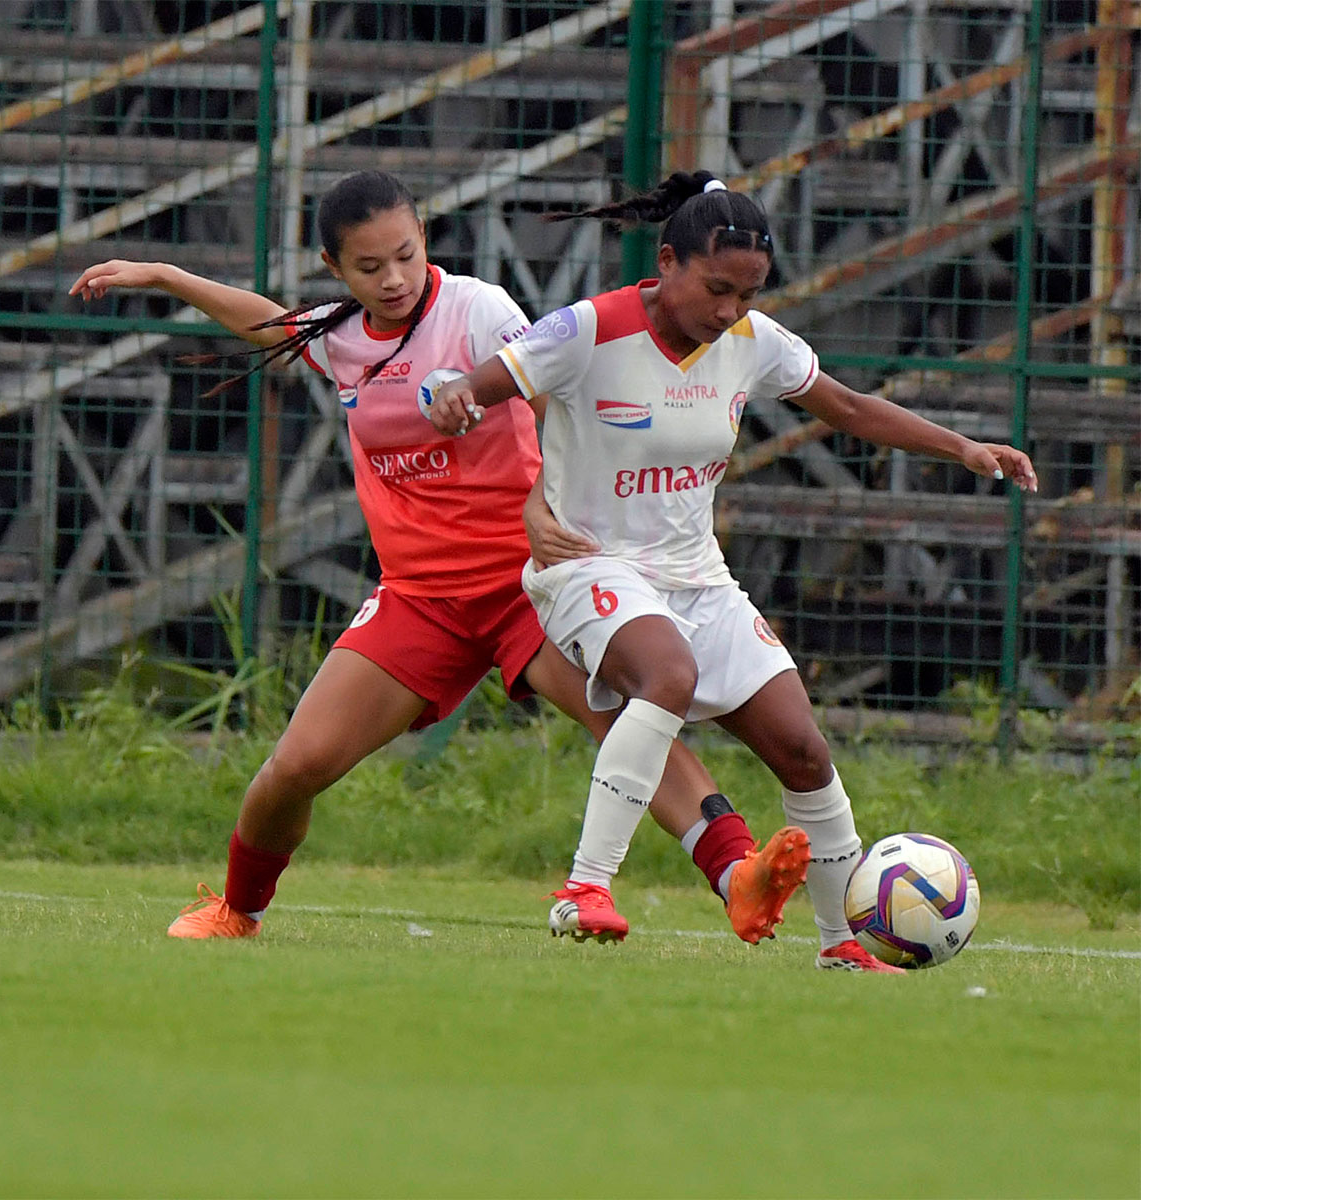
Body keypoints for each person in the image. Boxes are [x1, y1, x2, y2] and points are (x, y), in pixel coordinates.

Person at [68, 170, 813, 945]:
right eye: (368, 266)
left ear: (424, 238)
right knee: (294, 767)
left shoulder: (477, 308)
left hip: (528, 582)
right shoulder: (343, 338)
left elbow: (555, 391)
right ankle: (237, 909)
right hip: (420, 598)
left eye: (405, 254)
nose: (392, 279)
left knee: (628, 719)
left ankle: (739, 875)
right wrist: (165, 276)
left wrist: (536, 503)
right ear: (334, 268)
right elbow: (271, 325)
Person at [425, 169, 1038, 971]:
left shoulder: (752, 343)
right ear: (669, 261)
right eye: (716, 289)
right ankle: (585, 888)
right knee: (667, 675)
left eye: (746, 296)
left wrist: (961, 446)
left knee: (803, 748)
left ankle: (840, 942)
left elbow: (849, 408)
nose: (728, 313)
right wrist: (450, 399)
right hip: (586, 568)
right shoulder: (588, 329)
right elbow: (471, 387)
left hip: (698, 579)